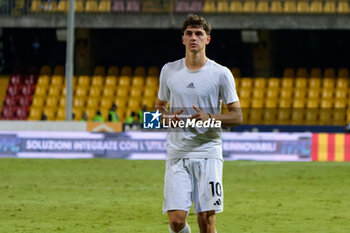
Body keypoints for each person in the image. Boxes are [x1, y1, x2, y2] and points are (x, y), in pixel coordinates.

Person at [155, 15, 242, 233]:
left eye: (198, 33)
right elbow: (156, 111)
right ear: (183, 39)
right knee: (176, 221)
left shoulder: (221, 74)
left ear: (207, 40)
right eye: (189, 33)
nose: (194, 37)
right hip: (177, 153)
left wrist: (211, 118)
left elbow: (237, 116)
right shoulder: (169, 71)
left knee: (206, 220)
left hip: (208, 152)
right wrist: (165, 118)